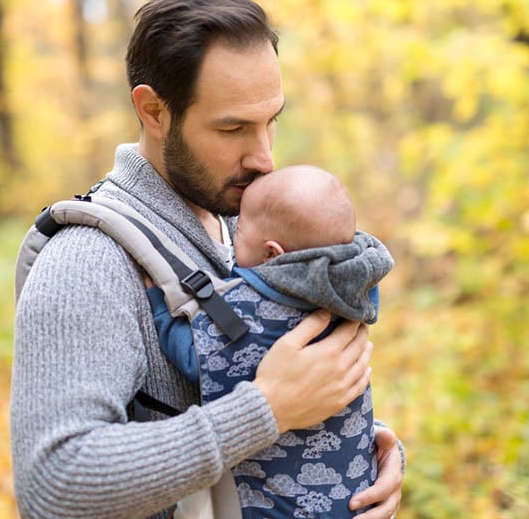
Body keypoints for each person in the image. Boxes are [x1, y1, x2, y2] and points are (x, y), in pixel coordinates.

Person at [10, 0, 404, 519]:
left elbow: (271, 387)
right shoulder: (87, 261)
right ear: (153, 111)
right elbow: (54, 483)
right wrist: (266, 411)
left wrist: (365, 454)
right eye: (233, 128)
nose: (264, 158)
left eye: (271, 121)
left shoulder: (246, 225)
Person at [148, 164, 394, 517]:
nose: (232, 237)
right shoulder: (349, 293)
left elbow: (196, 359)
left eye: (239, 229)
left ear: (272, 255)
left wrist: (160, 306)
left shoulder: (253, 312)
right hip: (356, 488)